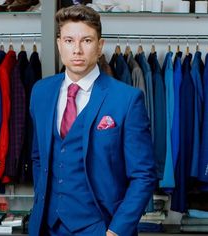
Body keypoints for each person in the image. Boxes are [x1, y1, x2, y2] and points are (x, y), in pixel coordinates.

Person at [28, 4, 156, 236]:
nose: (76, 49)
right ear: (59, 45)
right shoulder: (41, 92)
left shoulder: (126, 99)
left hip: (100, 227)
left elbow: (144, 175)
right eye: (69, 41)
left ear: (100, 46)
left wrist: (117, 230)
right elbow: (38, 156)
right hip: (46, 226)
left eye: (86, 40)